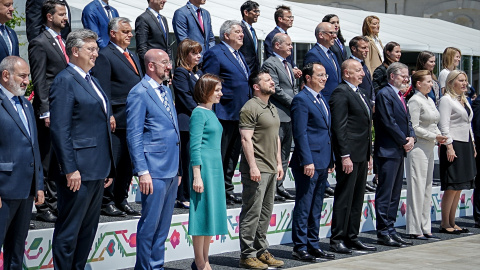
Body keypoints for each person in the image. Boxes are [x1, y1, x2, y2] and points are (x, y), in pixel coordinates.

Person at [50, 29, 115, 270]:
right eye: (91, 49)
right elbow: (60, 129)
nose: (96, 53)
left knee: (87, 231)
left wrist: (107, 164)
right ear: (75, 51)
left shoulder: (92, 80)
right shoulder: (65, 80)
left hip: (97, 168)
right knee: (69, 231)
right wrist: (70, 168)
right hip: (77, 171)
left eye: (96, 48)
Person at [126, 49, 179, 269]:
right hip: (153, 170)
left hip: (171, 168)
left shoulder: (166, 91)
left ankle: (157, 265)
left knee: (163, 226)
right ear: (151, 66)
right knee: (150, 225)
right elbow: (134, 134)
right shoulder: (139, 92)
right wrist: (142, 170)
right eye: (165, 62)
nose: (169, 66)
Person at [91, 17, 143, 217]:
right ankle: (107, 201)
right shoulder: (105, 55)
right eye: (125, 32)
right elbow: (103, 88)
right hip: (117, 118)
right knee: (114, 160)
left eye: (130, 32)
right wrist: (109, 114)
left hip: (133, 118)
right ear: (113, 33)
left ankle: (121, 199)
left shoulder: (132, 55)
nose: (130, 35)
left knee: (127, 162)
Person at [0, 56, 44, 270]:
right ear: (6, 75)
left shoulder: (26, 105)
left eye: (28, 76)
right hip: (4, 191)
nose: (27, 81)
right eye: (22, 76)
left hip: (25, 191)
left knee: (16, 252)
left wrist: (39, 184)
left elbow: (34, 146)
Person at [28, 0, 69, 223]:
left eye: (66, 14)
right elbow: (39, 79)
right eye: (61, 14)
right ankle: (43, 206)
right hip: (49, 110)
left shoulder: (62, 42)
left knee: (56, 158)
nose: (65, 18)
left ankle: (54, 203)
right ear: (48, 16)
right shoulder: (39, 43)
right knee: (45, 157)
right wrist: (45, 110)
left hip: (63, 108)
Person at [238, 70, 284, 269]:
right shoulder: (250, 107)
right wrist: (253, 166)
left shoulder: (271, 107)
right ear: (256, 86)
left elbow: (276, 138)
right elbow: (245, 139)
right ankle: (247, 254)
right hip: (257, 169)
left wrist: (279, 163)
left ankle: (261, 250)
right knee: (252, 212)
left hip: (271, 168)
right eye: (267, 80)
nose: (272, 82)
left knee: (265, 212)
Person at [329, 59, 376, 254]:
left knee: (357, 198)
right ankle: (338, 238)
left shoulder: (362, 93)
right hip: (349, 154)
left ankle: (352, 236)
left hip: (361, 153)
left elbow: (366, 127)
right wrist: (344, 155)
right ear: (346, 73)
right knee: (344, 197)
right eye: (358, 71)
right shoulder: (341, 92)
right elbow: (340, 127)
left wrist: (369, 154)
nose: (362, 74)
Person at [290, 62, 335, 262]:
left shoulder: (321, 98)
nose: (324, 78)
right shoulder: (301, 99)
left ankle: (313, 243)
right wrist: (307, 160)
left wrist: (331, 158)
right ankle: (300, 246)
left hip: (323, 159)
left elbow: (326, 132)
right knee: (304, 204)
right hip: (308, 162)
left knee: (317, 205)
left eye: (325, 75)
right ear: (307, 78)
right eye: (320, 75)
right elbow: (300, 133)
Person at [202, 20, 250, 205]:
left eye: (242, 32)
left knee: (232, 155)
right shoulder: (215, 53)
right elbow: (209, 83)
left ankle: (226, 188)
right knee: (219, 154)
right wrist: (210, 112)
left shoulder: (240, 55)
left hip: (239, 114)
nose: (241, 34)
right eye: (237, 31)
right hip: (223, 112)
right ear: (226, 35)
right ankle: (213, 190)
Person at [188, 74, 228, 270]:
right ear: (207, 90)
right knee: (201, 214)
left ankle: (205, 260)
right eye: (217, 89)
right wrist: (197, 174)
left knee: (210, 212)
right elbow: (194, 146)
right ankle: (200, 262)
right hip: (203, 167)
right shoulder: (198, 113)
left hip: (215, 167)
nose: (221, 93)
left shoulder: (211, 112)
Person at [374, 62, 415, 247]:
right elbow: (388, 122)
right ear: (392, 76)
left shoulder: (400, 96)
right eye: (403, 76)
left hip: (398, 150)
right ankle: (383, 232)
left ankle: (391, 229)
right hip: (388, 151)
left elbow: (407, 121)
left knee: (395, 194)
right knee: (385, 193)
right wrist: (404, 140)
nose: (406, 79)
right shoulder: (385, 94)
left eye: (407, 76)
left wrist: (411, 137)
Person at [405, 70, 446, 240]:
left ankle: (425, 225)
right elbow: (414, 127)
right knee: (417, 187)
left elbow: (434, 122)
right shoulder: (414, 101)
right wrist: (433, 136)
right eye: (428, 81)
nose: (431, 84)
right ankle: (414, 228)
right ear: (418, 84)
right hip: (418, 148)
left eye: (431, 81)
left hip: (429, 147)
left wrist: (441, 137)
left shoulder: (429, 100)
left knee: (427, 186)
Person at [438, 70, 476, 234]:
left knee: (459, 185)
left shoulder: (463, 100)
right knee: (452, 185)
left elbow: (468, 124)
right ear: (451, 82)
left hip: (465, 143)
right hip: (453, 144)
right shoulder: (446, 100)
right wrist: (449, 146)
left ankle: (453, 222)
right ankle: (445, 223)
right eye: (460, 80)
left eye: (465, 81)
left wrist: (473, 143)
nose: (464, 84)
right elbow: (444, 126)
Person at [261, 33, 297, 201]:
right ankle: (271, 187)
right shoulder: (270, 63)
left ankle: (279, 185)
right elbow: (275, 90)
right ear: (277, 45)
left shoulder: (288, 64)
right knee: (274, 152)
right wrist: (295, 103)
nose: (291, 47)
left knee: (284, 153)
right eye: (288, 44)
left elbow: (292, 87)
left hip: (289, 115)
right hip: (278, 114)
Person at [173, 39, 203, 209]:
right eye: (194, 53)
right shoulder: (180, 73)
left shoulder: (197, 72)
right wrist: (201, 112)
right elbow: (185, 97)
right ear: (185, 55)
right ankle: (182, 195)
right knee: (186, 159)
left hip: (196, 121)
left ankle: (191, 192)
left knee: (194, 159)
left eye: (199, 52)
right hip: (186, 122)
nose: (198, 56)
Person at [303, 22, 342, 102]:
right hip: (324, 100)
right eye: (331, 33)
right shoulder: (313, 54)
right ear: (321, 35)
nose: (335, 36)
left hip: (336, 100)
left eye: (335, 33)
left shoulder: (332, 54)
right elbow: (313, 82)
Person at [264, 5, 301, 79]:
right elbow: (273, 58)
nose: (291, 19)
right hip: (279, 77)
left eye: (292, 17)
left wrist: (295, 68)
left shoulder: (286, 35)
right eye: (289, 17)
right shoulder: (272, 36)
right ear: (280, 19)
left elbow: (289, 57)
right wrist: (290, 70)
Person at [135, 0, 171, 72]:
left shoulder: (163, 19)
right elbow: (142, 48)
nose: (165, 1)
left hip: (165, 69)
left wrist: (170, 68)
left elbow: (168, 46)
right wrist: (151, 68)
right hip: (154, 70)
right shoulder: (143, 19)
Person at [349, 36, 375, 107]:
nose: (367, 50)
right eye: (363, 48)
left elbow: (370, 86)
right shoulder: (350, 65)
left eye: (367, 48)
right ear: (354, 48)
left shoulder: (363, 64)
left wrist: (373, 102)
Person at [239, 1, 260, 74]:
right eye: (255, 11)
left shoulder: (252, 30)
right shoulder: (240, 29)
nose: (258, 14)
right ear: (246, 12)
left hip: (254, 71)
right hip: (245, 70)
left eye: (258, 11)